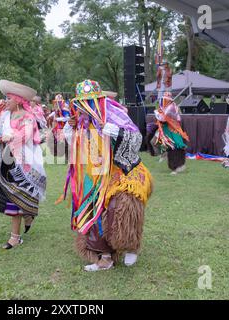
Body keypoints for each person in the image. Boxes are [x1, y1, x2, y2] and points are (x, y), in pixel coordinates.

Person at [61, 80, 153, 271]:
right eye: (81, 102)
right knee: (92, 208)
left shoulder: (115, 115)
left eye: (89, 101)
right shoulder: (82, 120)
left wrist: (113, 130)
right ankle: (104, 257)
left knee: (121, 206)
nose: (84, 106)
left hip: (125, 172)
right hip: (97, 175)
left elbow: (136, 140)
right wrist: (72, 128)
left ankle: (130, 246)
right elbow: (74, 147)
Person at [0, 80, 47, 250]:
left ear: (17, 100)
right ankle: (27, 215)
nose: (5, 102)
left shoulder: (28, 116)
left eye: (8, 99)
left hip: (24, 161)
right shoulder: (5, 116)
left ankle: (15, 237)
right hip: (7, 159)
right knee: (13, 195)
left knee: (17, 195)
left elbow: (27, 134)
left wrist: (11, 136)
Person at [153, 92, 189, 174]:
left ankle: (176, 167)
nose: (162, 101)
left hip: (173, 130)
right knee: (161, 143)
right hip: (167, 130)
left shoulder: (172, 107)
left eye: (164, 99)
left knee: (175, 147)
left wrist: (159, 115)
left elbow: (165, 118)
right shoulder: (165, 107)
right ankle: (166, 156)